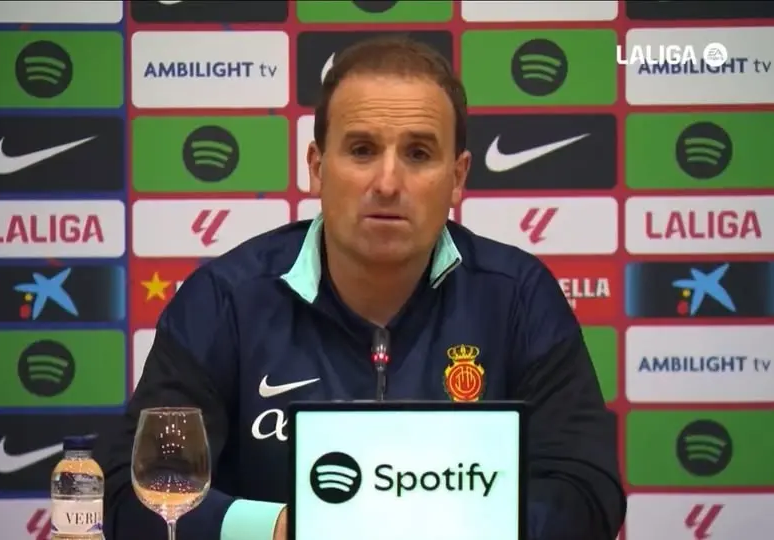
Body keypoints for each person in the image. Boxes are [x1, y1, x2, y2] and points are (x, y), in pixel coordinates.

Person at [97, 36, 626, 540]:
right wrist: (286, 530)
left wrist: (444, 528)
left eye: (418, 153)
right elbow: (130, 492)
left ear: (458, 177)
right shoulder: (226, 301)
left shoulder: (517, 298)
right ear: (317, 167)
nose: (388, 183)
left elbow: (586, 491)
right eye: (362, 149)